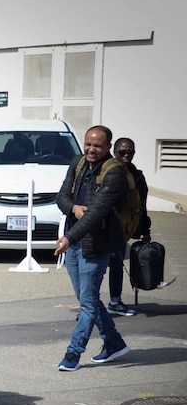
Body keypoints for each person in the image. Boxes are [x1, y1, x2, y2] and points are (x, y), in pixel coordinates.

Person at [54, 125, 130, 371]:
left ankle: (73, 353)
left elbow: (96, 213)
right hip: (74, 242)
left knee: (87, 303)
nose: (91, 149)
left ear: (108, 147)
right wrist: (73, 208)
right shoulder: (78, 163)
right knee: (89, 300)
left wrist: (68, 238)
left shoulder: (115, 172)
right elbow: (62, 197)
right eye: (88, 144)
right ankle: (114, 342)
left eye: (97, 145)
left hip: (96, 245)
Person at [105, 137, 152, 316]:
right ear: (114, 151)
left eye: (130, 152)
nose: (126, 154)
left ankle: (115, 301)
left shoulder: (137, 175)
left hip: (124, 228)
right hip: (105, 226)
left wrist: (145, 230)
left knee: (116, 263)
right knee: (98, 267)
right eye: (122, 151)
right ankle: (90, 305)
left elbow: (142, 205)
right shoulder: (107, 170)